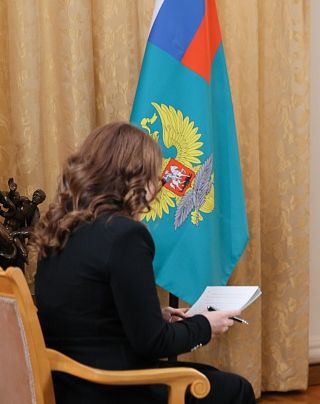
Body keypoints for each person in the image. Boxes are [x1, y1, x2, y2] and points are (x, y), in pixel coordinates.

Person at [32, 122, 256, 403]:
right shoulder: (124, 234)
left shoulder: (60, 229)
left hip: (69, 385)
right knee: (236, 389)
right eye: (154, 172)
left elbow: (85, 315)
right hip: (111, 388)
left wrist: (154, 316)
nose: (160, 182)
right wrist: (206, 325)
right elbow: (153, 343)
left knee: (212, 376)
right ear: (134, 178)